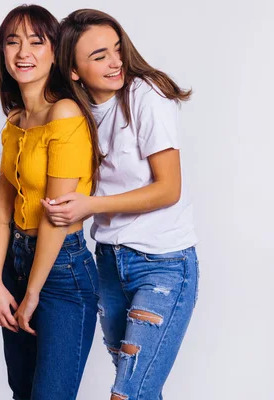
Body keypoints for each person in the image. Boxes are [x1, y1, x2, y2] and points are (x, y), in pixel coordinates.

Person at [43, 9, 200, 399]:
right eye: (99, 56)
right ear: (74, 70)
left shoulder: (147, 94)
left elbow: (169, 189)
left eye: (117, 49)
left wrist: (90, 206)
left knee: (129, 393)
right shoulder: (76, 112)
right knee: (142, 389)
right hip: (110, 264)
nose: (116, 62)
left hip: (163, 265)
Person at [0, 5, 102, 400]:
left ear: (55, 53)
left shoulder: (65, 112)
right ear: (2, 52)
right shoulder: (15, 120)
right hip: (15, 263)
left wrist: (32, 292)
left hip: (60, 272)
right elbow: (2, 210)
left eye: (37, 41)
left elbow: (56, 213)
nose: (23, 52)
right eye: (12, 41)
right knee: (22, 393)